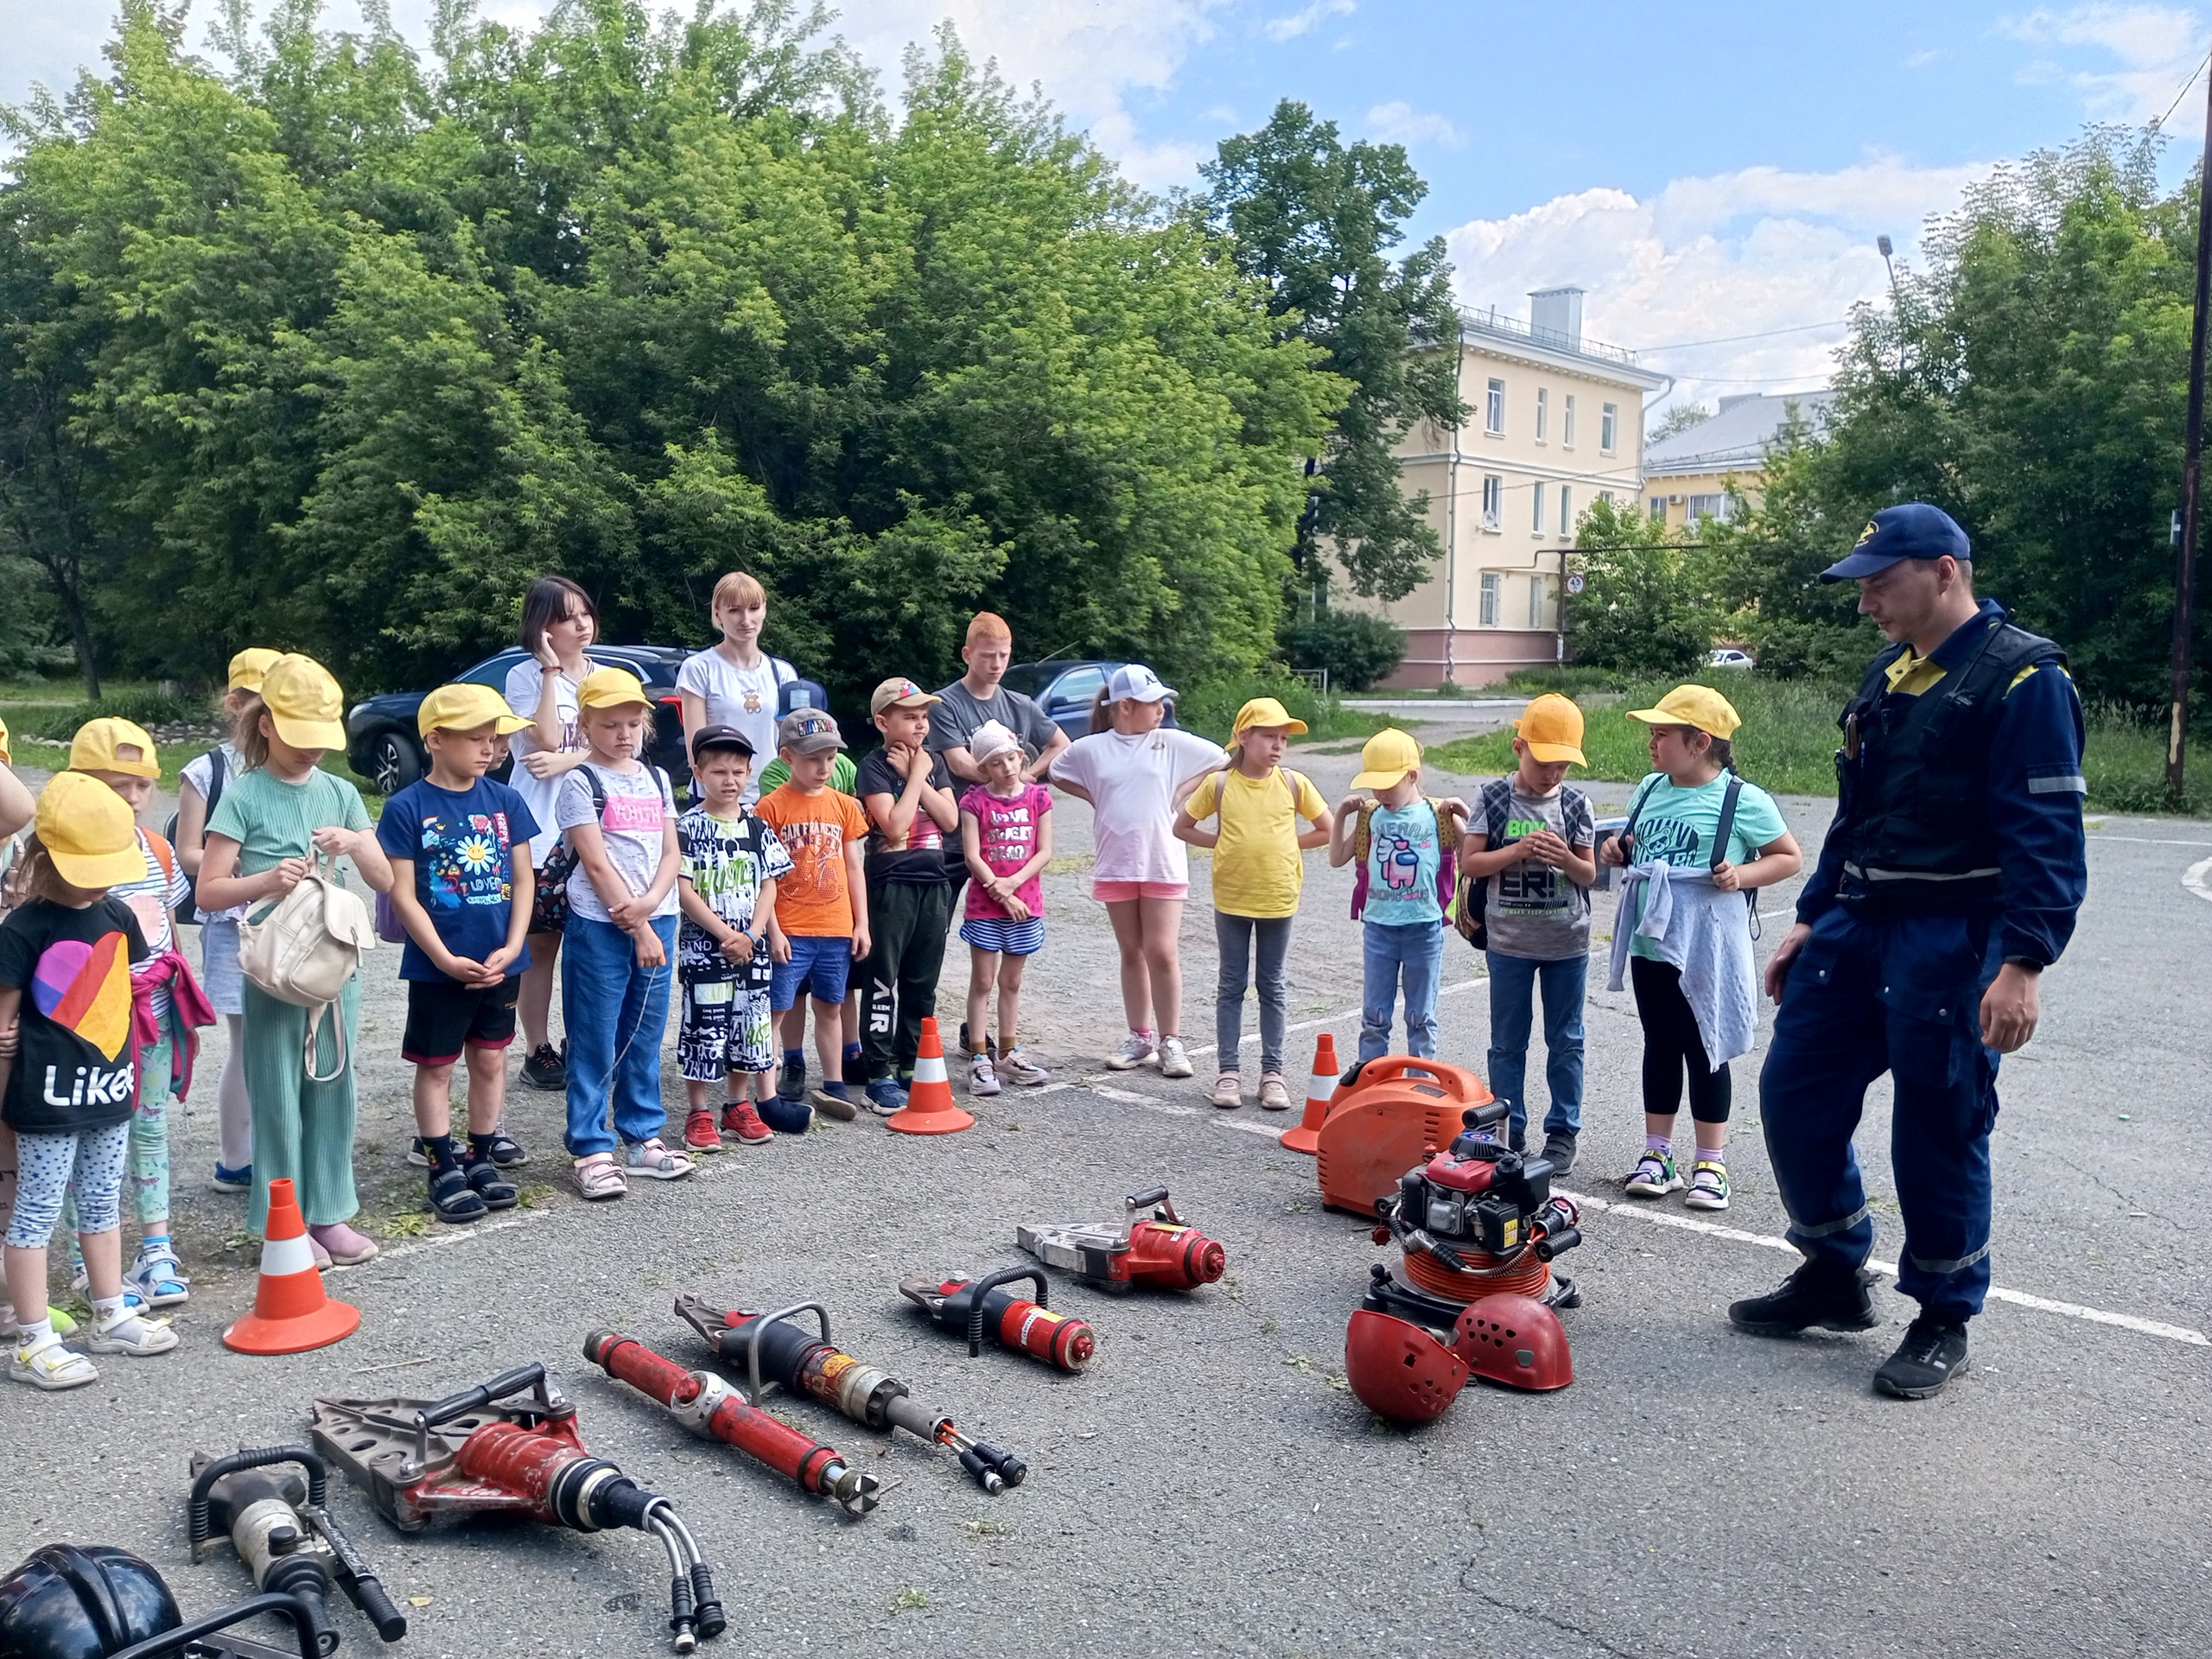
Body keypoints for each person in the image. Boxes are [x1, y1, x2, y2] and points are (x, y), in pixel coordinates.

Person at [1731, 504, 2087, 1400]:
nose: (1866, 605)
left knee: (1938, 1124)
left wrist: (2023, 963)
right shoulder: (1891, 672)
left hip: (1954, 934)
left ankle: (1942, 1313)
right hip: (1856, 922)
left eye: (1880, 584)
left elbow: (2047, 836)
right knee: (1793, 1094)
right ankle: (1833, 1271)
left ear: (1944, 571)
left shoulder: (2024, 681)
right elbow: (1856, 815)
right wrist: (1812, 916)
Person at [197, 654, 393, 1265]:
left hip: (333, 962)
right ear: (266, 725)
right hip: (275, 967)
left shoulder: (340, 792)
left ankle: (329, 1212)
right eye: (299, 735)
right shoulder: (244, 795)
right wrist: (263, 881)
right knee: (277, 1092)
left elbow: (385, 879)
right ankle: (283, 1220)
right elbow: (208, 891)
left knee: (333, 1085)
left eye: (321, 738)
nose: (312, 750)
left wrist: (355, 841)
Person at [0, 774, 182, 1388]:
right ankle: (33, 1341)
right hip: (46, 1102)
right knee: (36, 1213)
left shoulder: (118, 915)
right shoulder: (21, 929)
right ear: (46, 857)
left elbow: (117, 997)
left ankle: (111, 1314)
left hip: (110, 1090)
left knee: (103, 1203)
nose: (103, 880)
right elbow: (3, 1024)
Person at [1599, 685, 1802, 1215]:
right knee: (1660, 1043)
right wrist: (1619, 850)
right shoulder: (1649, 789)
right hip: (1651, 943)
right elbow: (1636, 844)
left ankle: (1711, 1162)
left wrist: (1742, 875)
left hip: (1706, 947)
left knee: (1705, 1045)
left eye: (1662, 734)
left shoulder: (1742, 799)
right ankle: (1657, 1154)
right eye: (1652, 733)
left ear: (1700, 742)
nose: (1651, 743)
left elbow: (1787, 857)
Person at [60, 719, 213, 1309]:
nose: (131, 797)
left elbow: (168, 929)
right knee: (84, 1138)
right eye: (115, 784)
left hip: (152, 1016)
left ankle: (156, 1249)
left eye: (142, 785)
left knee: (148, 1128)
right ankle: (87, 1263)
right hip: (84, 1029)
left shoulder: (157, 848)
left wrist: (178, 997)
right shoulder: (58, 859)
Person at [375, 686, 537, 1224]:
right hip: (437, 966)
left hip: (501, 961)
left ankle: (481, 1155)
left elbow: (523, 878)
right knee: (437, 1065)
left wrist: (514, 945)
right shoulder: (406, 807)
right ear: (436, 739)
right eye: (475, 738)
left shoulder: (506, 801)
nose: (489, 748)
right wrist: (442, 958)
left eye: (493, 738)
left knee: (491, 1058)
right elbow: (402, 894)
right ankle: (441, 1165)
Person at [1048, 665, 1222, 1079]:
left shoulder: (1169, 742)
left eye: (1162, 702)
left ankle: (1171, 1040)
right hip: (1117, 862)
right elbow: (1057, 771)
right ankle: (1139, 1036)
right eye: (1152, 703)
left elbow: (1222, 759)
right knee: (1132, 951)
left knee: (1161, 950)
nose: (1162, 709)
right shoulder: (1093, 748)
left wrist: (1181, 792)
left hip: (1162, 860)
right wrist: (1096, 796)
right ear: (1124, 706)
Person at [555, 668, 689, 1199]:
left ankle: (641, 1135)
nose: (623, 734)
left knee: (644, 1032)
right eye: (610, 725)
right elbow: (595, 862)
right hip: (601, 925)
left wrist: (652, 905)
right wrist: (638, 927)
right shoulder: (580, 782)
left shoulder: (656, 778)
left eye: (633, 723)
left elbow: (671, 851)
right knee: (595, 1034)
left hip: (660, 915)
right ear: (585, 725)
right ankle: (591, 1147)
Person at [1457, 696, 1596, 1171]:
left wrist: (1565, 858)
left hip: (1567, 944)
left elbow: (1589, 874)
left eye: (1562, 765)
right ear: (1519, 748)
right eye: (1543, 763)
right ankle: (1507, 1129)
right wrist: (1516, 851)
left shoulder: (1576, 804)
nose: (1552, 774)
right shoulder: (1494, 798)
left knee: (1567, 1040)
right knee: (1507, 1042)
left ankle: (1562, 1132)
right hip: (1509, 944)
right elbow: (1471, 862)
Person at [1175, 697, 1333, 1110]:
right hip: (1232, 897)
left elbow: (1327, 829)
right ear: (1244, 738)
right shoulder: (1220, 784)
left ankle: (1272, 1074)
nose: (1278, 745)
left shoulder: (1294, 783)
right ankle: (1228, 1072)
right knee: (1231, 984)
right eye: (1269, 736)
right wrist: (1221, 842)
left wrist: (1287, 844)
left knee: (1272, 985)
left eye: (1283, 738)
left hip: (1278, 897)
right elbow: (1183, 826)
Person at [175, 647, 281, 1192]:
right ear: (235, 704)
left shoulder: (295, 768)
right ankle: (237, 1159)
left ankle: (279, 1149)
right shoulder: (208, 771)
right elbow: (187, 852)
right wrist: (239, 860)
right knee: (247, 1040)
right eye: (258, 703)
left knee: (285, 1038)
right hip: (234, 919)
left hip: (289, 917)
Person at [505, 575, 607, 1095]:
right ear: (543, 626)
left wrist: (571, 759)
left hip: (595, 829)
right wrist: (549, 669)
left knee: (593, 945)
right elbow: (542, 740)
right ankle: (537, 1049)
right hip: (540, 829)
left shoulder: (606, 677)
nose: (582, 624)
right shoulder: (524, 676)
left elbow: (627, 746)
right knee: (541, 946)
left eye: (585, 613)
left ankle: (583, 1041)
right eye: (567, 617)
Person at [675, 726, 794, 1151]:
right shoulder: (686, 827)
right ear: (698, 773)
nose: (730, 781)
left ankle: (737, 1104)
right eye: (719, 772)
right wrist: (727, 934)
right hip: (706, 950)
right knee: (703, 1027)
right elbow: (684, 889)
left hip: (751, 950)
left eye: (738, 772)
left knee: (749, 1026)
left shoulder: (757, 826)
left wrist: (754, 933)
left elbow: (769, 884)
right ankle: (698, 1111)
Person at [754, 710, 871, 1120]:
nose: (823, 767)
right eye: (812, 759)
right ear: (787, 757)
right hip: (790, 927)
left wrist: (861, 923)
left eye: (830, 758)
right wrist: (772, 930)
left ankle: (834, 1082)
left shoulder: (845, 806)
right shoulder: (770, 807)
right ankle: (778, 1077)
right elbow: (764, 876)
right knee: (779, 1007)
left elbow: (854, 867)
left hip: (835, 927)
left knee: (831, 1004)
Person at [1328, 727, 1466, 1071]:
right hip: (1379, 928)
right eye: (1374, 786)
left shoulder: (1438, 815)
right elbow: (1337, 857)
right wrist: (1341, 815)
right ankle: (1371, 1077)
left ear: (1412, 776)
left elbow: (1471, 856)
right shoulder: (1371, 816)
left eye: (1388, 785)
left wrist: (1464, 815)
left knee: (1421, 1015)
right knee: (1375, 1015)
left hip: (1424, 928)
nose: (1380, 794)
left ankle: (1419, 1079)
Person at [855, 678, 960, 1116]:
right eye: (910, 717)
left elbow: (950, 820)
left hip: (934, 882)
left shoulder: (934, 762)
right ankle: (878, 1072)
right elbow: (895, 826)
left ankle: (912, 1062)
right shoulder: (873, 767)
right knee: (884, 978)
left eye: (924, 717)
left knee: (922, 981)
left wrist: (920, 775)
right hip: (892, 884)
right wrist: (914, 776)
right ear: (884, 722)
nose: (920, 725)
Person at [957, 720, 1054, 1095]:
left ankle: (1009, 1052)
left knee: (1011, 982)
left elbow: (1044, 851)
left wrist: (1014, 884)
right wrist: (1001, 893)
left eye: (1012, 758)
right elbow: (973, 856)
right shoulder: (974, 802)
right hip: (987, 906)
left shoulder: (1038, 798)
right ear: (984, 768)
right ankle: (980, 1056)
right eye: (996, 763)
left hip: (1025, 905)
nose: (1007, 768)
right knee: (983, 981)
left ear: (1021, 757)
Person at [676, 572, 798, 804]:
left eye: (754, 608)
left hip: (771, 797)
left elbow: (793, 743)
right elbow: (696, 748)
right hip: (715, 798)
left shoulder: (782, 673)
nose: (746, 619)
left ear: (764, 610)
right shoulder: (699, 668)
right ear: (717, 614)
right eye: (734, 610)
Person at [928, 613, 1069, 786]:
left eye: (1003, 655)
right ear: (967, 655)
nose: (997, 665)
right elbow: (960, 764)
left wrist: (1029, 774)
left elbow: (1061, 743)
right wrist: (1014, 778)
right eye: (988, 656)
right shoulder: (943, 703)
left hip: (1017, 803)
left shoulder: (1022, 705)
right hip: (967, 803)